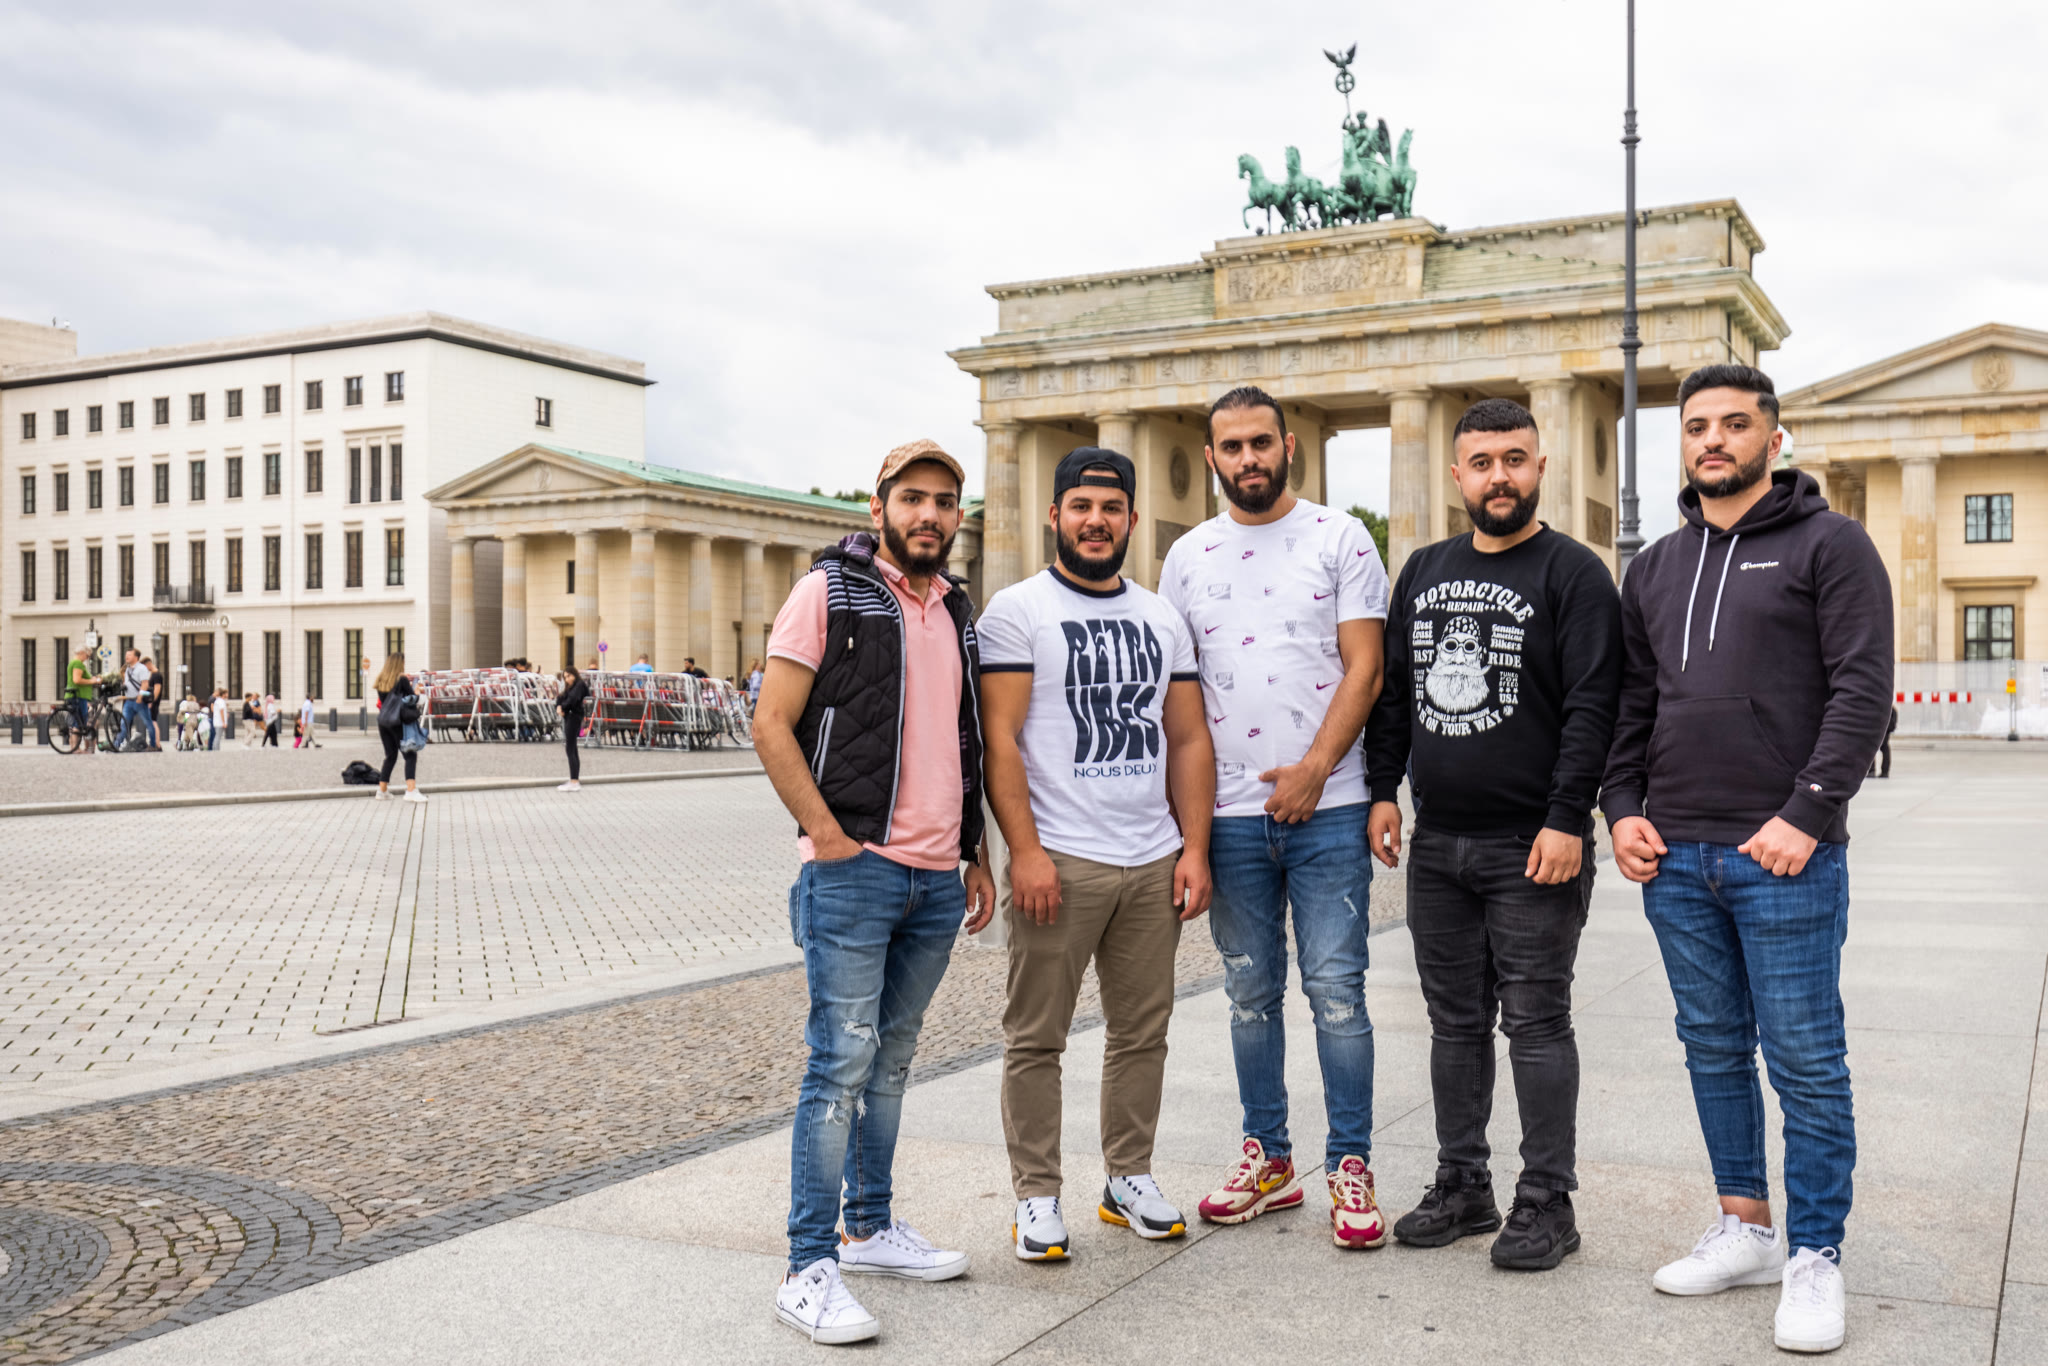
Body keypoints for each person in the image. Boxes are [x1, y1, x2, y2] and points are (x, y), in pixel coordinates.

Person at [1604, 365, 1893, 1355]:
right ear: (1681, 443)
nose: (1713, 440)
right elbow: (1631, 704)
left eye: (1734, 424)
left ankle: (1814, 1254)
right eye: (1697, 426)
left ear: (1773, 439)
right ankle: (1746, 1228)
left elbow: (1862, 689)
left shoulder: (1830, 544)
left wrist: (1806, 814)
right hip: (1675, 858)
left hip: (1783, 858)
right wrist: (1620, 809)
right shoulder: (1654, 567)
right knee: (1713, 1046)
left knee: (1805, 1059)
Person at [1362, 398, 1623, 1271]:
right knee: (1454, 1024)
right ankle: (1463, 1183)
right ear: (1457, 475)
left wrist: (1568, 817)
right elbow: (1395, 693)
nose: (1498, 476)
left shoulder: (1575, 574)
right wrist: (1383, 790)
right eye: (1481, 462)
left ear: (1540, 465)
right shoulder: (1424, 569)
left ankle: (1547, 1200)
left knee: (1538, 1023)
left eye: (1514, 459)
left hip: (1531, 845)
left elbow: (1593, 707)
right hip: (1439, 844)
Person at [754, 438, 995, 1344]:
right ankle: (807, 1266)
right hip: (855, 872)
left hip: (935, 879)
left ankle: (870, 1228)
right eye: (912, 498)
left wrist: (974, 852)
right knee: (838, 1064)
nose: (929, 514)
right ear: (878, 505)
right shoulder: (830, 592)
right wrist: (827, 836)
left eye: (944, 501)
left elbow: (963, 739)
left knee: (891, 1062)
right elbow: (771, 723)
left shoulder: (957, 609)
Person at [1158, 385, 1391, 1249]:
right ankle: (1269, 1157)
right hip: (1228, 817)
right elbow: (1178, 699)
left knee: (1337, 993)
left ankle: (1350, 1164)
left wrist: (1316, 771)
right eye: (1232, 446)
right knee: (1250, 996)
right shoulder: (1187, 556)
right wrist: (1186, 835)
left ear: (1290, 446)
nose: (1248, 458)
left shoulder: (1341, 537)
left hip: (1329, 809)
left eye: (1262, 442)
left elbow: (1366, 668)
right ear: (1211, 456)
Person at [980, 447, 1215, 1262]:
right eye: (1080, 506)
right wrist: (1025, 851)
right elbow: (1001, 740)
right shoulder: (1017, 610)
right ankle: (1035, 1195)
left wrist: (1194, 848)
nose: (1095, 521)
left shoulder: (1161, 617)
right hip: (1061, 857)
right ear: (1055, 515)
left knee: (1142, 1033)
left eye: (1111, 509)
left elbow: (1188, 738)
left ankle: (1128, 1177)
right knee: (1035, 1037)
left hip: (1150, 858)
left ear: (1132, 520)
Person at [373, 655, 427, 803]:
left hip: (383, 722)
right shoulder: (401, 680)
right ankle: (411, 790)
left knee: (390, 755)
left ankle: (382, 790)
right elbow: (411, 699)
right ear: (399, 664)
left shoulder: (381, 680)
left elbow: (385, 702)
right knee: (410, 754)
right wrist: (416, 691)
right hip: (397, 721)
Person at [557, 665, 589, 792]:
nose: (567, 679)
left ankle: (574, 781)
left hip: (574, 717)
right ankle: (574, 779)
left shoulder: (579, 685)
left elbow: (572, 699)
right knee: (572, 748)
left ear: (574, 674)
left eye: (569, 676)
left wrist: (563, 707)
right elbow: (561, 697)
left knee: (570, 748)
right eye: (565, 677)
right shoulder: (571, 687)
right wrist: (559, 706)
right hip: (569, 716)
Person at [115, 649, 151, 752]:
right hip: (128, 702)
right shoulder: (128, 674)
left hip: (137, 701)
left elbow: (143, 687)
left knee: (138, 723)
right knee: (125, 724)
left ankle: (144, 743)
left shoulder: (139, 672)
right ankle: (120, 744)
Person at [64, 646, 96, 756]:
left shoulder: (73, 663)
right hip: (78, 695)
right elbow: (77, 680)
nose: (87, 658)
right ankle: (76, 748)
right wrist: (92, 681)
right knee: (78, 722)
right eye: (87, 655)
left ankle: (74, 747)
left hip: (74, 695)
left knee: (76, 722)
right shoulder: (78, 663)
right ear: (82, 653)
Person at [1869, 704, 1897, 779]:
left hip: (1880, 729)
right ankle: (1884, 772)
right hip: (1884, 729)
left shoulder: (1882, 707)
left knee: (1872, 748)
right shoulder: (1891, 708)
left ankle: (1872, 771)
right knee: (1884, 749)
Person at [143, 657, 165, 750]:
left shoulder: (156, 675)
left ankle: (157, 744)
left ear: (149, 664)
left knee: (153, 722)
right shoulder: (153, 674)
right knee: (152, 722)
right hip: (152, 701)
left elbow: (157, 690)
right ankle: (156, 744)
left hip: (153, 702)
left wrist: (152, 701)